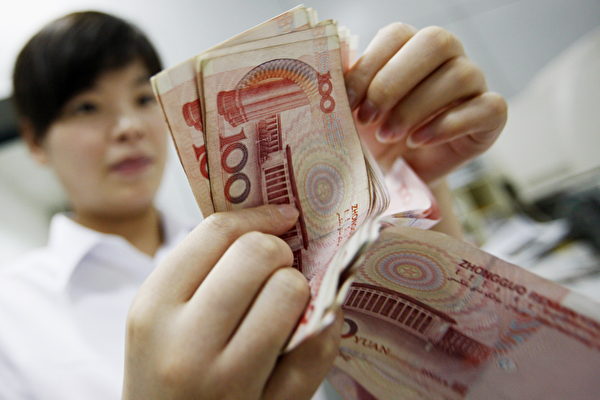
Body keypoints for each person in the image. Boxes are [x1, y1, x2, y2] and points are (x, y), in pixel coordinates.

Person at [0, 10, 507, 400]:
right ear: (36, 141)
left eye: (142, 98)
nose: (129, 126)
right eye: (87, 107)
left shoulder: (273, 241)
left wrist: (406, 191)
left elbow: (453, 367)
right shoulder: (13, 318)